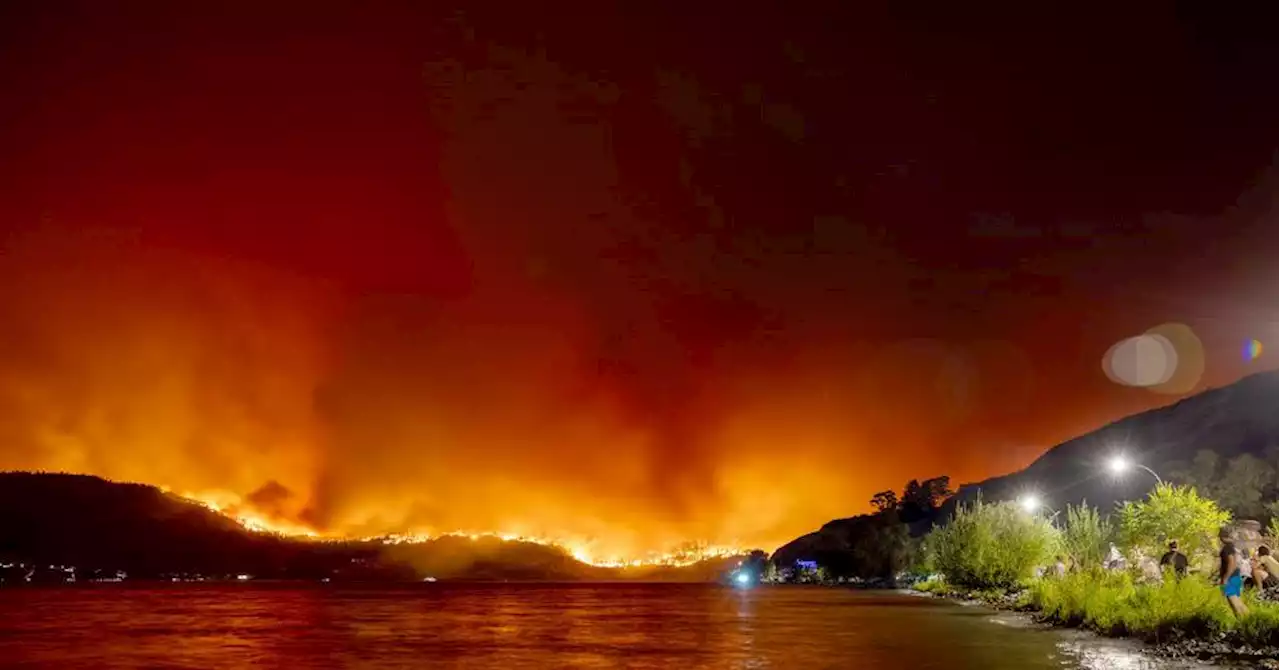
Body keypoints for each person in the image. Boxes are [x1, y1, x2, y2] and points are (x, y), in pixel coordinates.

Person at [1220, 540, 1249, 617]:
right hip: (1236, 576)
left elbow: (1232, 563)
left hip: (1231, 578)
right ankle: (1249, 622)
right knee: (1238, 603)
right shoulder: (1232, 548)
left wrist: (1225, 578)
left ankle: (1243, 625)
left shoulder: (1227, 548)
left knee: (1235, 604)